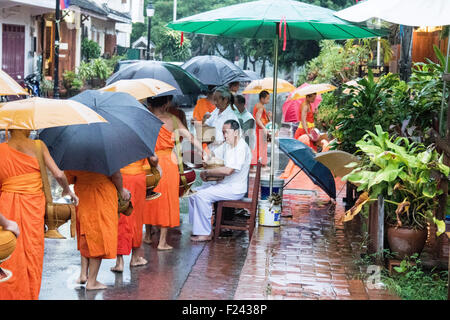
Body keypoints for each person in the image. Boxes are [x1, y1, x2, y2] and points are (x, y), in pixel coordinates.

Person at [0, 129, 78, 299]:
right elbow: (58, 174)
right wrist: (67, 190)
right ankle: (29, 293)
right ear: (26, 127)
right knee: (32, 251)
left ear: (10, 129)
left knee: (8, 248)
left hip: (6, 205)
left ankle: (8, 293)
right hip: (33, 206)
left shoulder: (1, 149)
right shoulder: (38, 145)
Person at [143, 95, 203, 250]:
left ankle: (148, 235)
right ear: (167, 103)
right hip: (168, 164)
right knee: (166, 201)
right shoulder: (172, 119)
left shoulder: (145, 119)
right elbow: (189, 136)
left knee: (150, 198)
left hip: (150, 162)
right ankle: (162, 241)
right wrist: (203, 151)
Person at [65, 169, 128, 290]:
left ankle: (83, 274)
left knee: (85, 233)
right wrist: (121, 190)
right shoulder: (103, 151)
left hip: (82, 193)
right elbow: (116, 176)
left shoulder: (74, 154)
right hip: (101, 192)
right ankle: (92, 282)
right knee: (98, 236)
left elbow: (69, 179)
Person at [189, 120, 251, 242]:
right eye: (223, 132)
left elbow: (228, 171)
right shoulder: (228, 144)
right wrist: (204, 158)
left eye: (226, 132)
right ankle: (198, 228)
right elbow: (212, 155)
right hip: (225, 185)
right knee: (192, 193)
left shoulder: (240, 147)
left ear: (236, 132)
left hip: (235, 189)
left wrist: (208, 172)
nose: (224, 135)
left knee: (201, 196)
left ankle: (205, 233)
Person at [111, 155, 159, 273]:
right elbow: (153, 160)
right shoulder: (140, 138)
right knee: (137, 218)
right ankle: (135, 258)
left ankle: (119, 262)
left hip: (120, 178)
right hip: (138, 179)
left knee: (121, 217)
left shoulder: (114, 138)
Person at [203, 86, 240, 153]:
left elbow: (231, 140)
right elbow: (206, 125)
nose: (215, 102)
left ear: (225, 100)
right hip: (212, 151)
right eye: (214, 100)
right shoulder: (216, 110)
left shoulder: (231, 116)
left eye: (217, 100)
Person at [251, 90, 271, 169]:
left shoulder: (259, 105)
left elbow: (262, 119)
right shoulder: (260, 107)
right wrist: (264, 128)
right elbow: (258, 119)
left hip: (260, 129)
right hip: (261, 130)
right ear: (262, 98)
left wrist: (268, 116)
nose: (268, 100)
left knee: (259, 146)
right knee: (261, 146)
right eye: (267, 98)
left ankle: (255, 164)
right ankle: (262, 164)